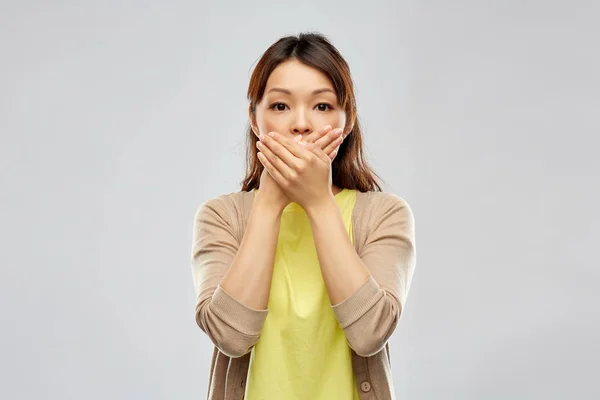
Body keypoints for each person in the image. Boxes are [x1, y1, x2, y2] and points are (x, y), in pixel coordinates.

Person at [190, 32, 416, 400]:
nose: (301, 124)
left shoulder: (384, 214)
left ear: (347, 120)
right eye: (280, 106)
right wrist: (268, 202)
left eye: (322, 106)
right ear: (254, 118)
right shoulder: (221, 216)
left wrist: (318, 203)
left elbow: (371, 333)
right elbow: (230, 337)